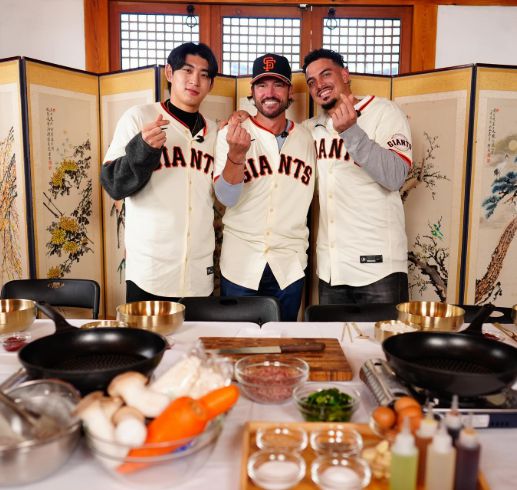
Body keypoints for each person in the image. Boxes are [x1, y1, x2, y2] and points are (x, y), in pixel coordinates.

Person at [100, 42, 218, 302]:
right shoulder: (139, 117)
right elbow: (113, 184)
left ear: (211, 85)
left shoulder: (215, 131)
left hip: (198, 272)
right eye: (187, 70)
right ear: (169, 73)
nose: (195, 80)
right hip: (150, 270)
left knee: (198, 331)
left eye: (204, 74)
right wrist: (142, 149)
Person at [302, 48, 412, 305]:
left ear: (345, 74)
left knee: (385, 333)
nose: (319, 85)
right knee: (335, 334)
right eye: (311, 81)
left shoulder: (384, 112)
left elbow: (396, 176)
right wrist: (243, 117)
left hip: (380, 269)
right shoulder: (311, 129)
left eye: (326, 74)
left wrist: (351, 132)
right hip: (332, 270)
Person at [213, 54, 316, 320]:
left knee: (283, 341)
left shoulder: (307, 138)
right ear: (252, 91)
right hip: (241, 263)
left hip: (289, 266)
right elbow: (226, 197)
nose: (269, 92)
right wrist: (236, 155)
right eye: (262, 85)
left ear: (290, 91)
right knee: (238, 340)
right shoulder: (231, 133)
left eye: (278, 84)